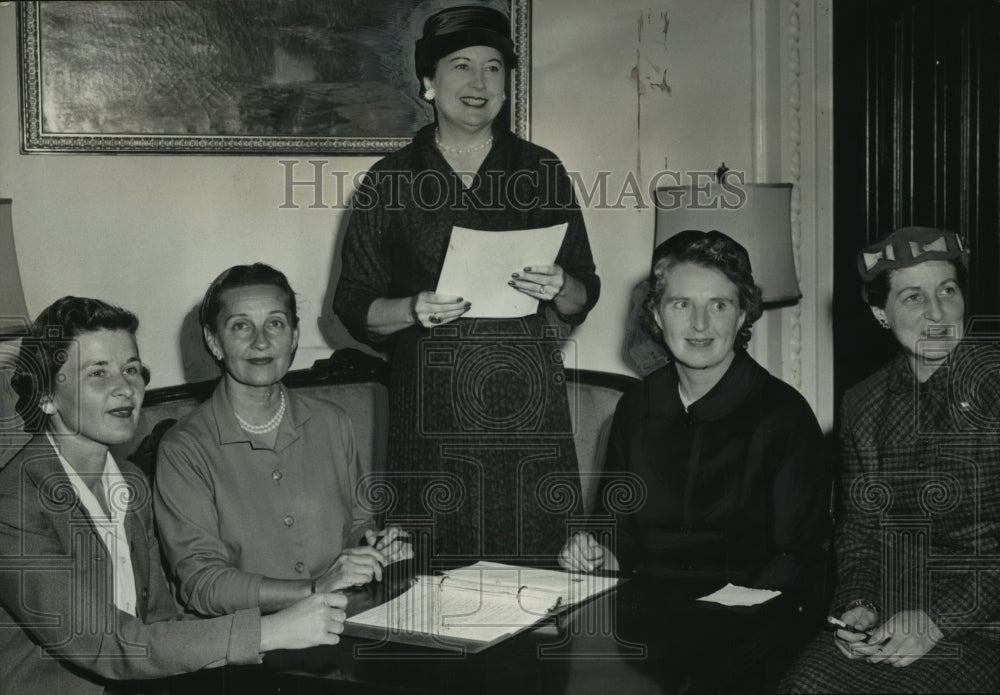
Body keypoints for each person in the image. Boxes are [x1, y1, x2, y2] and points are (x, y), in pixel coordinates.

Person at [333, 5, 599, 559]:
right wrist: (411, 309)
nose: (479, 83)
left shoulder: (540, 170)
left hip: (525, 409)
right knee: (431, 584)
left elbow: (584, 292)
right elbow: (352, 301)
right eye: (461, 66)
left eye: (494, 68)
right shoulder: (390, 180)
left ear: (506, 86)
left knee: (535, 582)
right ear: (429, 83)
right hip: (431, 409)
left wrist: (560, 284)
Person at [0, 297, 347, 695]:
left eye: (131, 369)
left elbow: (160, 623)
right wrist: (267, 632)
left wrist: (290, 627)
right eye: (98, 373)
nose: (125, 387)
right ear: (45, 395)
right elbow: (107, 645)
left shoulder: (131, 484)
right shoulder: (14, 502)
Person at [780, 227, 1000, 693]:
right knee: (805, 688)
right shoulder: (863, 403)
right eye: (913, 298)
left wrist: (937, 621)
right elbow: (861, 529)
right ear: (881, 313)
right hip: (895, 616)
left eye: (947, 291)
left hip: (986, 625)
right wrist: (859, 605)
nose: (937, 313)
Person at [559, 230, 830, 600]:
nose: (700, 324)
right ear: (656, 314)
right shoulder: (636, 406)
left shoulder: (784, 416)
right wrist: (594, 553)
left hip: (750, 616)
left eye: (719, 305)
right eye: (681, 304)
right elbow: (616, 531)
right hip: (644, 615)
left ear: (742, 316)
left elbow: (798, 558)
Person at [155, 264, 411, 618]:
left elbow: (357, 524)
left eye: (275, 323)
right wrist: (314, 589)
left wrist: (373, 548)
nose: (261, 341)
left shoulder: (333, 422)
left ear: (293, 336)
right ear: (214, 341)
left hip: (344, 620)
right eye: (241, 326)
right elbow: (203, 584)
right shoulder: (184, 449)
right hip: (247, 645)